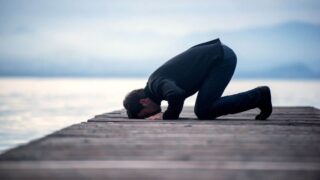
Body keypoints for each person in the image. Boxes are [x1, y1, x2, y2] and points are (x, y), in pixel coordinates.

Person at [123, 38, 272, 120]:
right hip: (217, 55)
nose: (150, 116)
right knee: (203, 110)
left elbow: (176, 94)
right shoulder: (155, 85)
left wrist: (167, 115)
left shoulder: (155, 84)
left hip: (220, 58)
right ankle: (259, 96)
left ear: (144, 101)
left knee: (203, 110)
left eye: (146, 114)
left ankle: (260, 96)